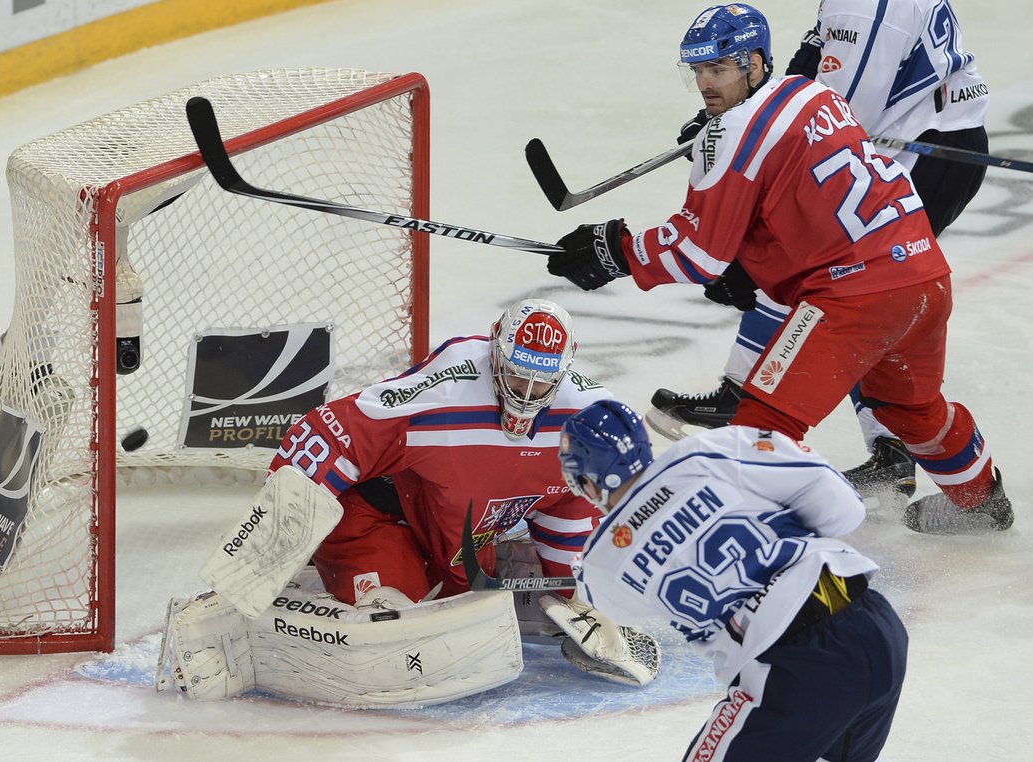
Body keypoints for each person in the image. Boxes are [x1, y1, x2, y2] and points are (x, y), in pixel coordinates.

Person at [545, 3, 1012, 535]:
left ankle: (778, 558)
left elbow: (698, 253)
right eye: (697, 70)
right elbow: (803, 209)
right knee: (912, 411)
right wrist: (751, 262)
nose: (705, 83)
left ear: (754, 63)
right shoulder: (818, 95)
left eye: (717, 69)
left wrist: (614, 250)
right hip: (925, 277)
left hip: (855, 299)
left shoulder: (730, 136)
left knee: (762, 429)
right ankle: (981, 503)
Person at [157, 298, 661, 708]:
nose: (527, 392)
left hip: (460, 528)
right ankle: (249, 631)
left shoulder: (585, 422)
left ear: (566, 370)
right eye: (516, 373)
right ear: (494, 353)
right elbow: (322, 434)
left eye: (542, 380)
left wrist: (572, 592)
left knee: (467, 609)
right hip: (377, 514)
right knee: (395, 631)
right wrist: (271, 545)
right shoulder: (447, 392)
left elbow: (571, 504)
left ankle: (449, 575)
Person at [648, 0, 990, 505]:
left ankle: (887, 446)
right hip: (913, 129)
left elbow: (836, 110)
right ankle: (746, 388)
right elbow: (812, 64)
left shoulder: (864, 7)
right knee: (825, 268)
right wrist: (737, 110)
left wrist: (742, 128)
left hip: (925, 145)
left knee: (848, 280)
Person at [557, 399, 908, 761]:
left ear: (586, 479)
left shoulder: (601, 559)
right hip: (872, 623)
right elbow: (844, 508)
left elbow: (618, 607)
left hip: (795, 667)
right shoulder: (705, 452)